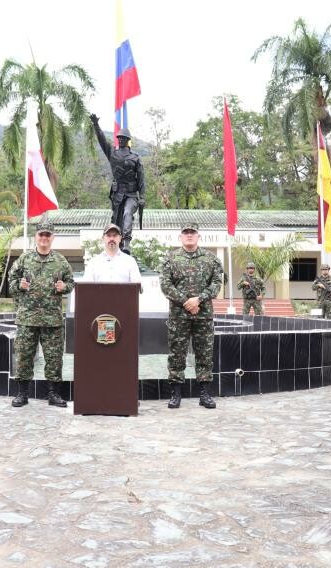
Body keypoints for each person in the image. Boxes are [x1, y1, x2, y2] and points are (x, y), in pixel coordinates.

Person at [7, 222, 75, 408]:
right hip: (27, 318)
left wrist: (64, 287)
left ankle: (53, 394)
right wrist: (19, 285)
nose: (44, 238)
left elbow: (71, 282)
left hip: (52, 319)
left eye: (47, 235)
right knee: (24, 357)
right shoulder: (24, 259)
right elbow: (11, 281)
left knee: (54, 358)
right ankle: (22, 394)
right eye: (41, 235)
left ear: (52, 237)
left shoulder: (60, 260)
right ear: (35, 237)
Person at [160, 222, 224, 409]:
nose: (189, 235)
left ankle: (204, 394)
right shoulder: (170, 258)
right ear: (180, 237)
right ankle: (176, 394)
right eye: (186, 232)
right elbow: (166, 285)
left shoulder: (211, 259)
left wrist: (199, 300)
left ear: (198, 236)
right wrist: (186, 302)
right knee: (176, 354)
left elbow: (216, 284)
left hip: (203, 315)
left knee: (205, 354)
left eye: (192, 233)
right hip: (178, 315)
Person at [88, 113, 145, 255]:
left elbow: (141, 178)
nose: (120, 140)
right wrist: (96, 125)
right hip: (117, 194)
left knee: (127, 213)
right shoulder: (112, 153)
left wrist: (142, 197)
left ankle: (127, 243)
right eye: (119, 138)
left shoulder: (135, 157)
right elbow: (102, 140)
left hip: (131, 194)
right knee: (116, 221)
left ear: (128, 140)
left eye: (123, 138)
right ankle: (117, 245)